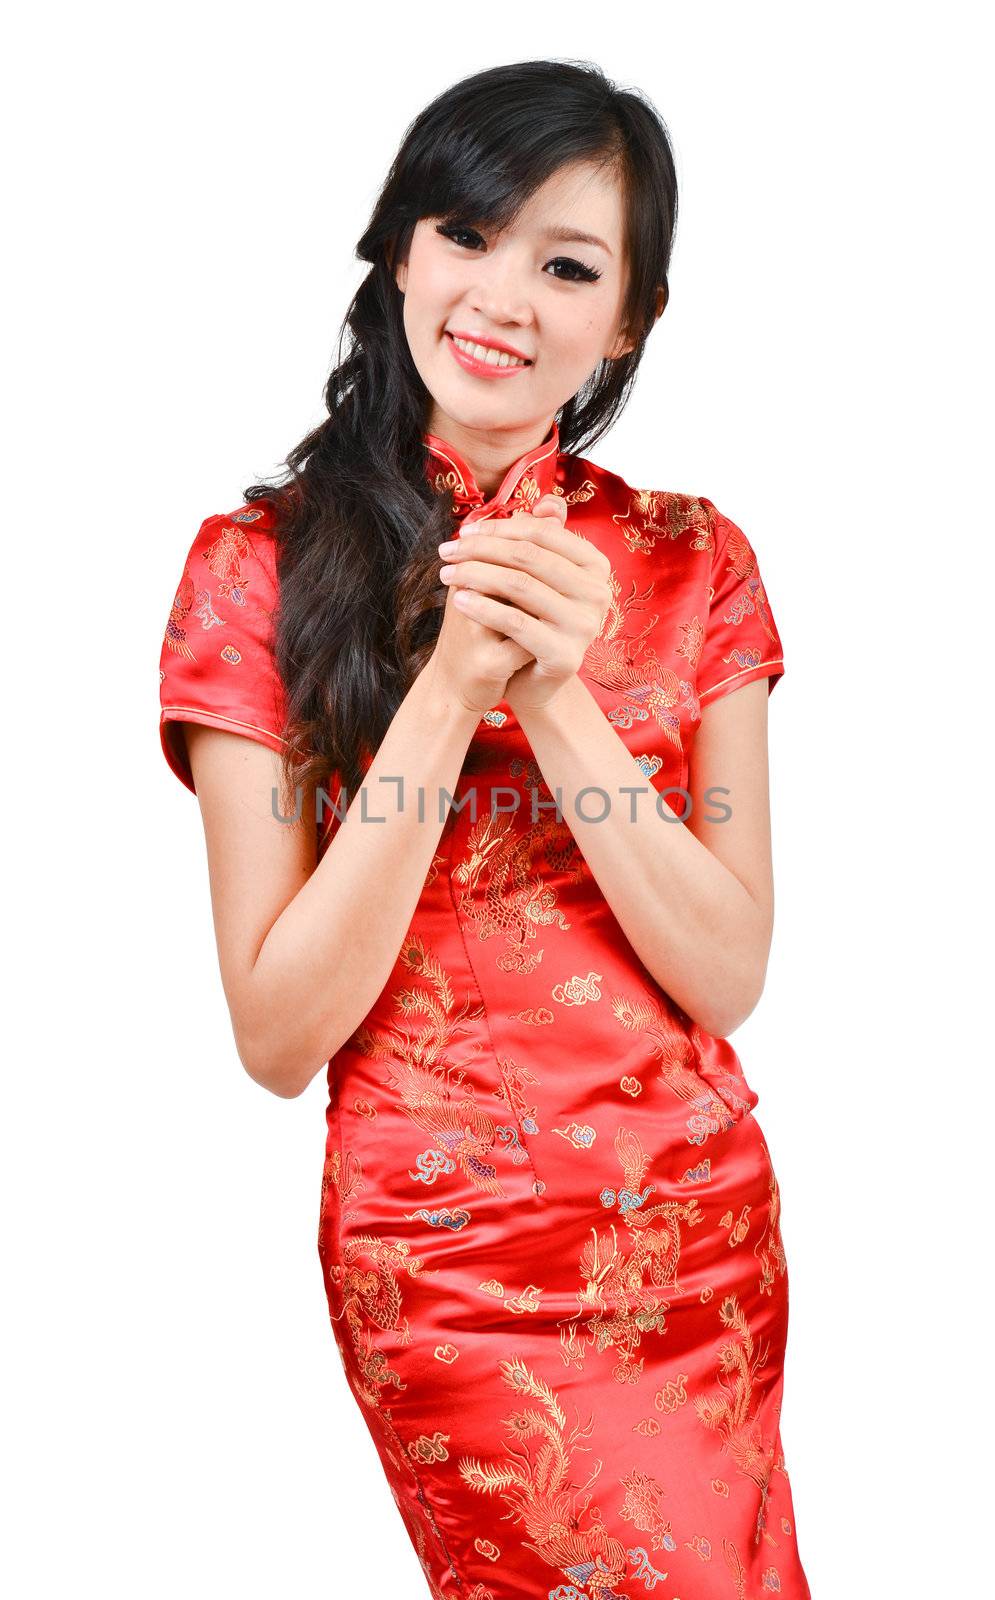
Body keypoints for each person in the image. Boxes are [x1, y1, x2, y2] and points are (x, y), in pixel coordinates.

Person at [158, 58, 811, 1600]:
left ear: (629, 318)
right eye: (466, 235)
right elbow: (277, 1029)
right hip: (448, 1271)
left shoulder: (692, 559)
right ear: (400, 253)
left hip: (697, 1246)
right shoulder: (254, 571)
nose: (502, 297)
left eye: (568, 264)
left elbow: (726, 973)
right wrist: (451, 689)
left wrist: (564, 695)